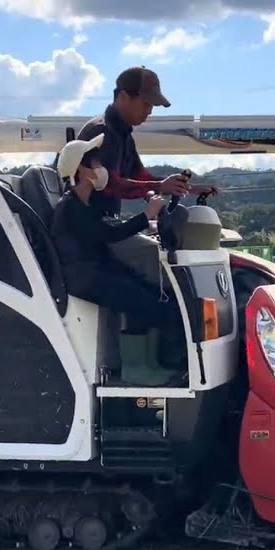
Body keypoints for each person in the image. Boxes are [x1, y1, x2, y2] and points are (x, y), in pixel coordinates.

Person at [51, 133, 181, 386]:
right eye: (96, 163)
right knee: (140, 301)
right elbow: (109, 234)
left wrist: (147, 221)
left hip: (97, 271)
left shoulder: (84, 204)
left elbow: (106, 231)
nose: (102, 169)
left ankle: (149, 364)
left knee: (151, 293)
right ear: (81, 169)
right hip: (86, 278)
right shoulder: (70, 207)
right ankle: (136, 369)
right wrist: (145, 217)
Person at [75, 65, 218, 284]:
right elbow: (110, 184)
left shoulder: (122, 135)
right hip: (90, 233)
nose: (150, 110)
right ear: (123, 97)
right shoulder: (102, 132)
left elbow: (139, 176)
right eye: (146, 103)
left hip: (107, 226)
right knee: (158, 259)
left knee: (155, 252)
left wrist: (183, 187)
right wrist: (160, 187)